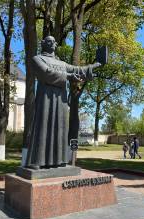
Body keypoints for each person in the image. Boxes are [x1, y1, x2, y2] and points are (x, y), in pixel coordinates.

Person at [25, 36, 101, 169]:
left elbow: (77, 69)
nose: (53, 43)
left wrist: (94, 65)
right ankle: (36, 161)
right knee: (43, 126)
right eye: (49, 41)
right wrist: (68, 76)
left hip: (61, 100)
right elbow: (46, 73)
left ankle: (58, 160)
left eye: (54, 41)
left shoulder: (62, 63)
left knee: (60, 127)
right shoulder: (37, 59)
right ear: (43, 44)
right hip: (46, 99)